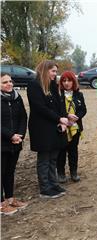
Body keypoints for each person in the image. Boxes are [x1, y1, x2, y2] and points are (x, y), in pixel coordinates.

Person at [27, 60, 68, 199]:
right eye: (53, 71)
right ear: (45, 70)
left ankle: (53, 183)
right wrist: (58, 119)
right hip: (41, 127)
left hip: (54, 126)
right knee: (44, 158)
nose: (55, 74)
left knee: (53, 157)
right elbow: (40, 108)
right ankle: (45, 188)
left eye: (56, 71)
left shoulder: (52, 84)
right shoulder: (34, 85)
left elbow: (59, 103)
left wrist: (63, 119)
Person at [1, 73, 28, 215]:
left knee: (10, 171)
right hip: (2, 143)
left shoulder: (17, 98)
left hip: (16, 142)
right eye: (5, 82)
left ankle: (10, 198)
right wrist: (10, 135)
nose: (9, 84)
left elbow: (23, 117)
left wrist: (20, 135)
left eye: (10, 81)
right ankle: (1, 204)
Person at [57, 71, 87, 183]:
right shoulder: (58, 94)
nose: (66, 83)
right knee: (61, 151)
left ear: (73, 82)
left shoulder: (79, 95)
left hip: (75, 128)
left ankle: (73, 172)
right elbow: (56, 110)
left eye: (69, 80)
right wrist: (66, 116)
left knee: (73, 150)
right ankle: (61, 174)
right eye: (64, 81)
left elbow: (83, 109)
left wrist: (77, 117)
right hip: (62, 127)